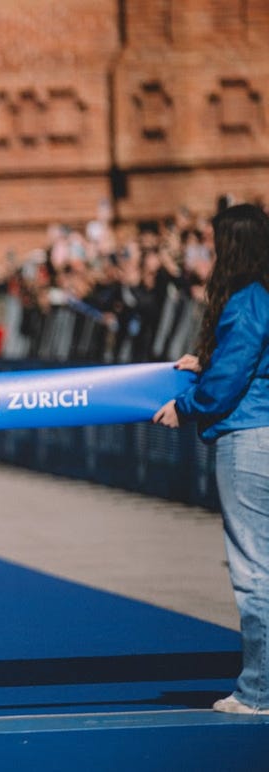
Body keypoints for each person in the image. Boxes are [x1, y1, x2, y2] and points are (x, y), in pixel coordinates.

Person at [153, 203, 269, 715]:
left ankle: (259, 691)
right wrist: (206, 362)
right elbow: (246, 359)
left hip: (250, 439)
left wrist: (187, 405)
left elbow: (230, 381)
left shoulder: (246, 299)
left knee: (253, 569)